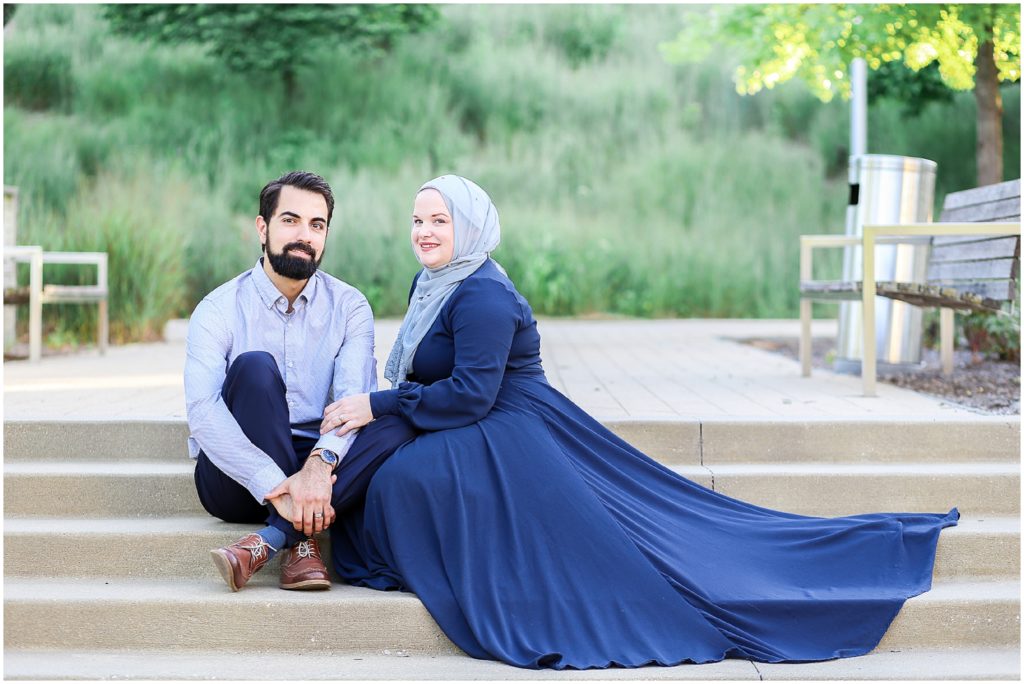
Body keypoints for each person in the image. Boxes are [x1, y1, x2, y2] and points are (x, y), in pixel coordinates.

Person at [322, 175, 959, 669]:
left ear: (471, 225)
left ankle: (306, 527)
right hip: (479, 415)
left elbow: (468, 396)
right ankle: (297, 524)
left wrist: (380, 405)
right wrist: (387, 408)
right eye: (417, 220)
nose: (425, 231)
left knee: (408, 474)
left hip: (504, 418)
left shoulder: (483, 292)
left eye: (440, 220)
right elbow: (430, 381)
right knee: (395, 463)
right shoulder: (431, 281)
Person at [184, 170, 415, 593]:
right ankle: (303, 537)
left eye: (317, 224)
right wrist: (278, 486)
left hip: (321, 468)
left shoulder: (349, 306)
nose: (303, 235)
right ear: (262, 227)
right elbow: (202, 413)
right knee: (254, 367)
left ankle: (270, 539)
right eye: (290, 220)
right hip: (236, 479)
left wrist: (317, 465)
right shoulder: (218, 308)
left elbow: (351, 400)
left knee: (397, 416)